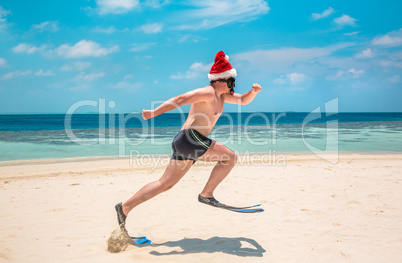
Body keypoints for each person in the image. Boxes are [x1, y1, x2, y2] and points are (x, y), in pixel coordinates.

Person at [115, 51, 262, 229]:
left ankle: (125, 207)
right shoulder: (207, 93)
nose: (233, 86)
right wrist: (154, 113)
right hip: (190, 139)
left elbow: (244, 100)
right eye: (231, 81)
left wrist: (253, 92)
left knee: (165, 184)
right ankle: (206, 194)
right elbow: (180, 99)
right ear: (220, 80)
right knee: (230, 157)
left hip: (187, 143)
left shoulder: (222, 96)